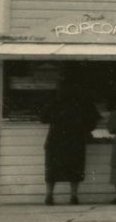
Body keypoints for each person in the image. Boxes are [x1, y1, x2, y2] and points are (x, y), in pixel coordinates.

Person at [40, 74, 101, 206]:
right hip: (75, 139)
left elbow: (43, 118)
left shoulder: (54, 102)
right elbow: (93, 122)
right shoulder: (83, 102)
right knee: (75, 168)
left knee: (52, 168)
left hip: (55, 139)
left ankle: (49, 195)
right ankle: (73, 196)